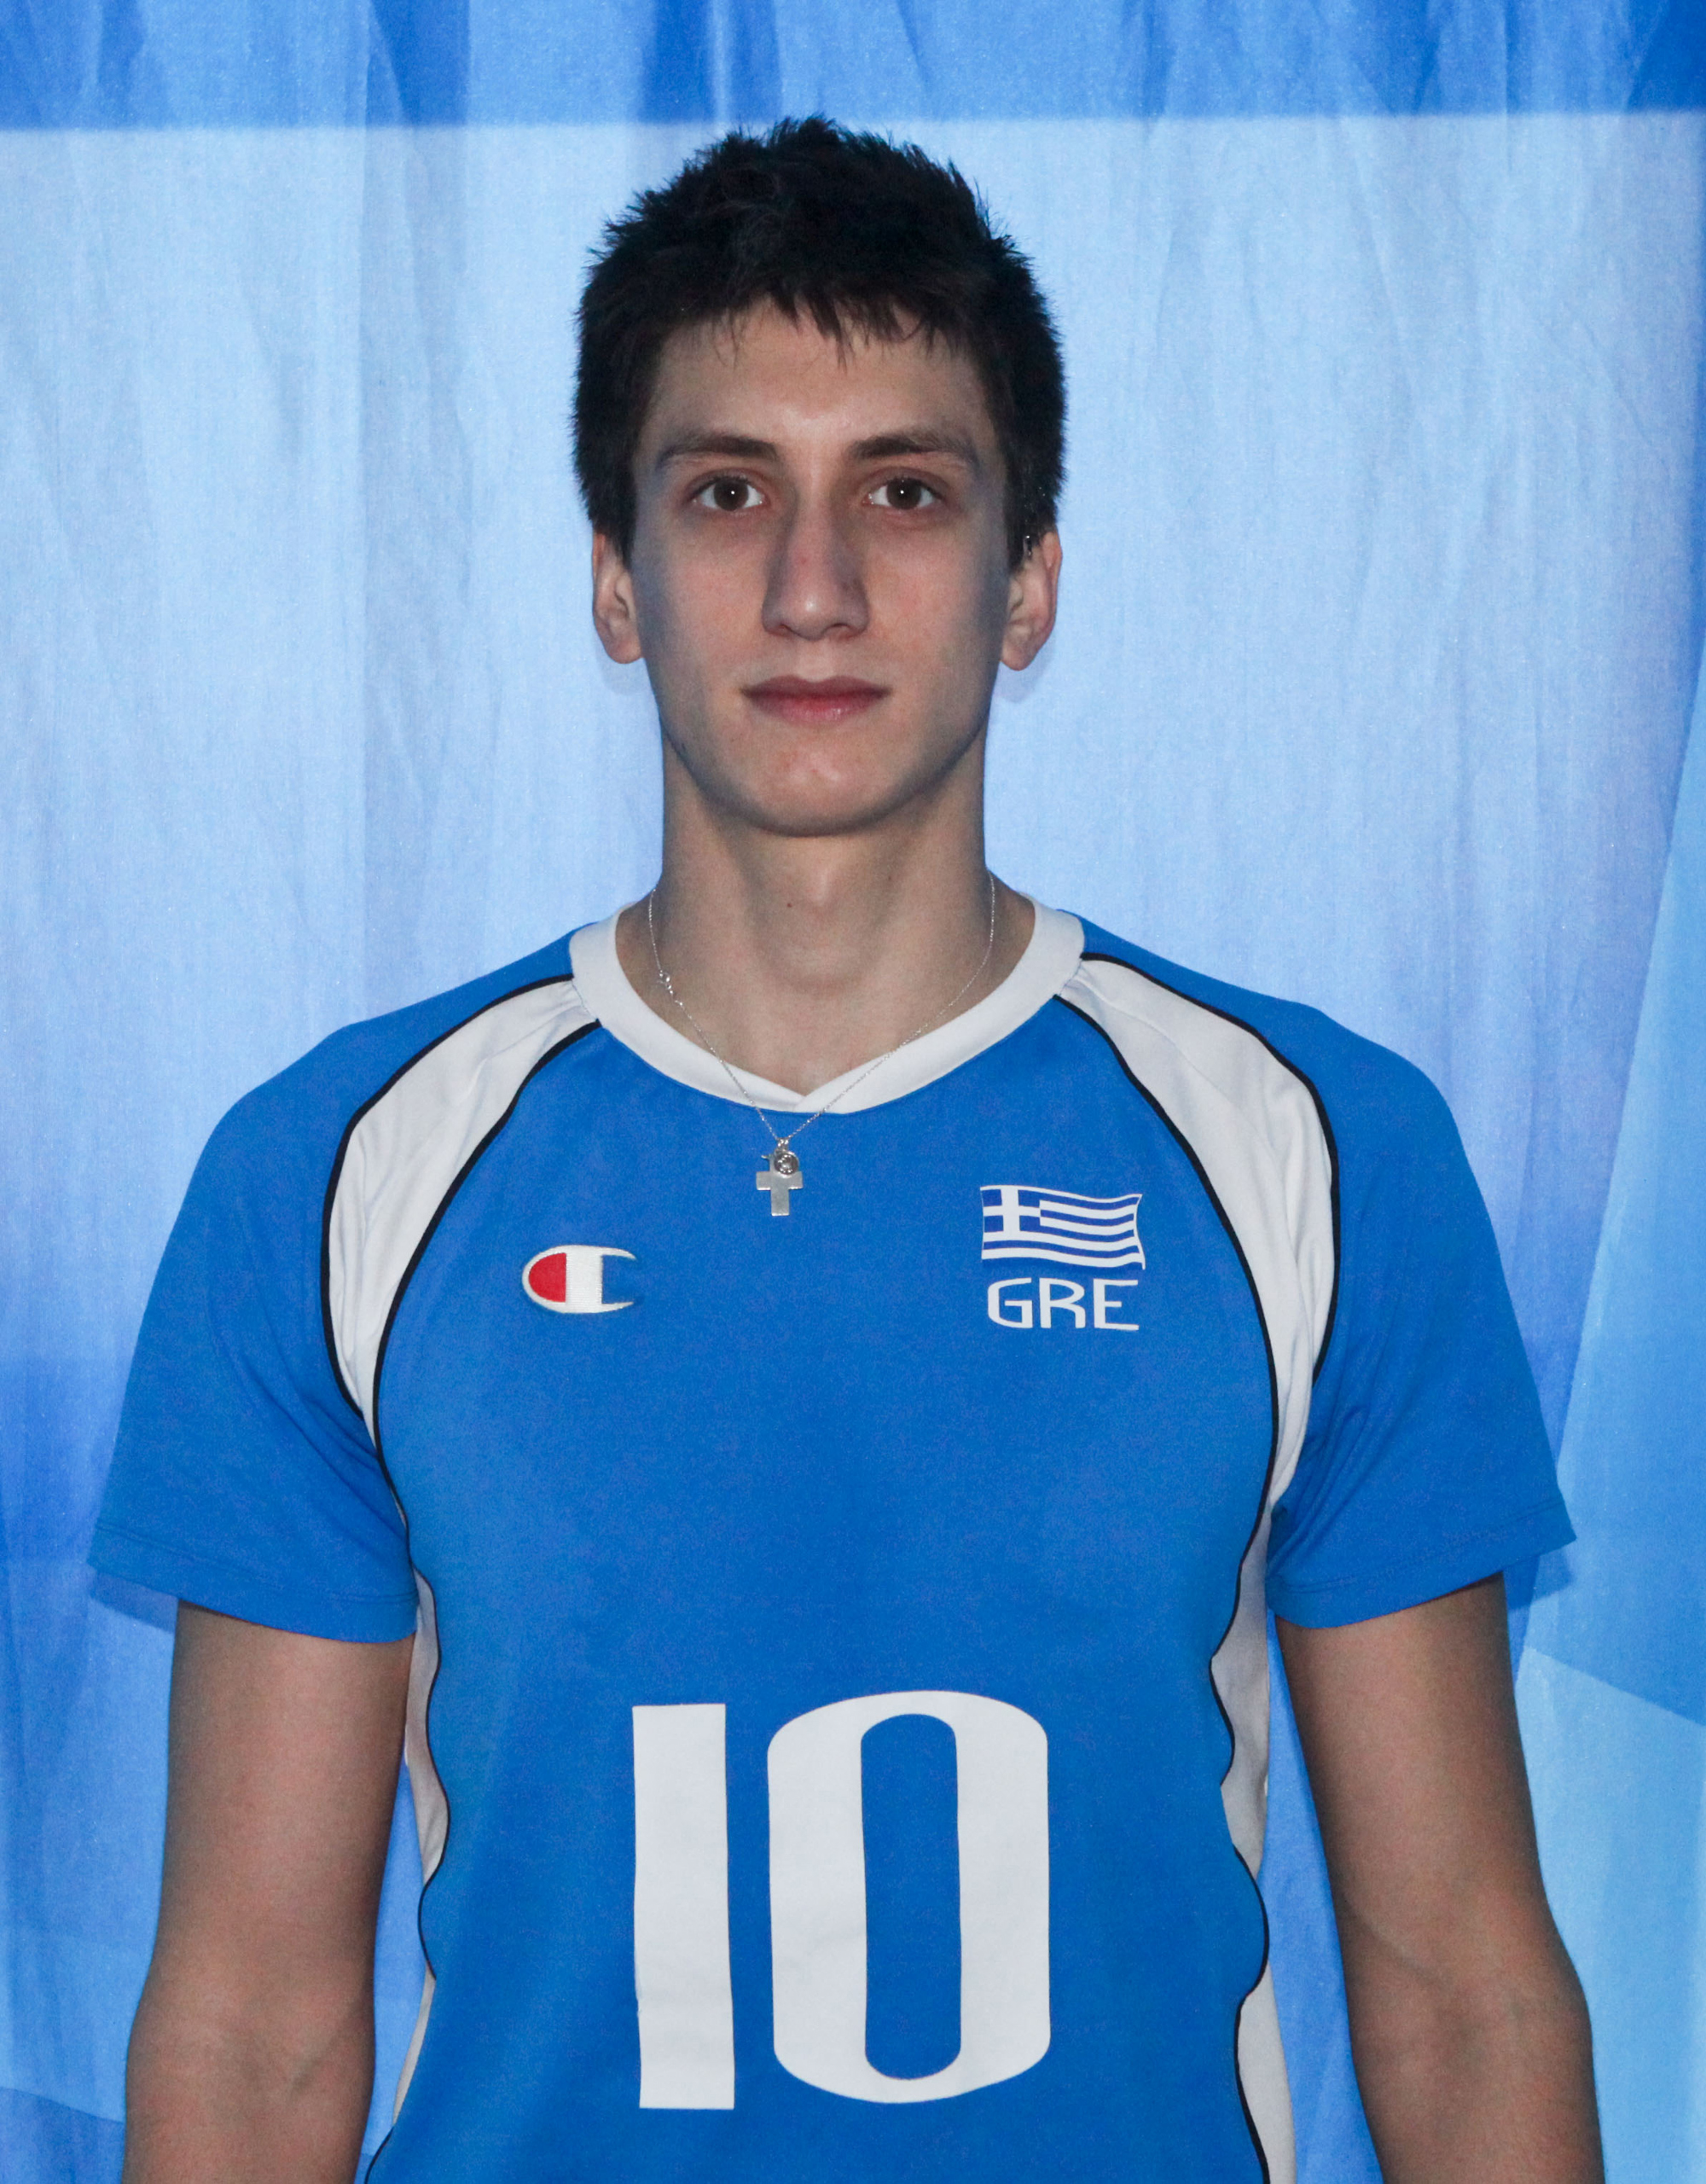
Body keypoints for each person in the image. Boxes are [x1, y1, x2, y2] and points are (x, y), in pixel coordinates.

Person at [95, 119, 1601, 2184]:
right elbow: (255, 2027)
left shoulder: (1314, 1152)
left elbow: (1461, 1991)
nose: (813, 588)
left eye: (905, 489)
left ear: (1028, 578)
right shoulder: (338, 1171)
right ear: (616, 577)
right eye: (728, 493)